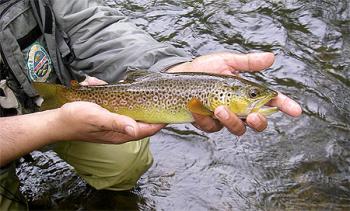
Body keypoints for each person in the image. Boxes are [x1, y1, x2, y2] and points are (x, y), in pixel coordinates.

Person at [0, 0, 302, 210]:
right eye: (251, 97)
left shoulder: (212, 93)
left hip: (46, 96)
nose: (256, 100)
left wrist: (171, 67)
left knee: (128, 158)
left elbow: (90, 24)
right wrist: (50, 125)